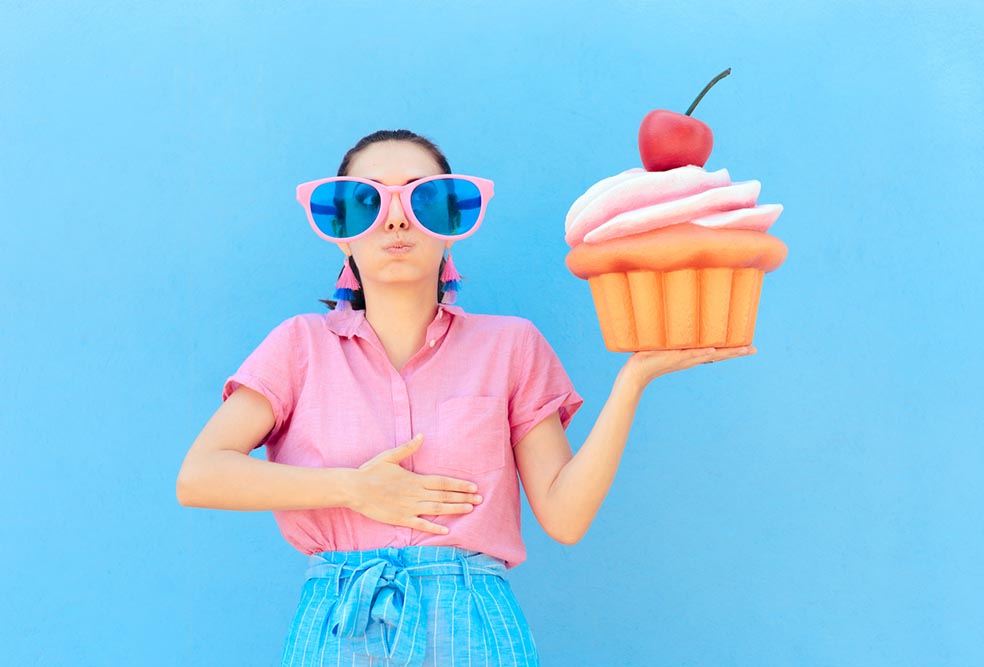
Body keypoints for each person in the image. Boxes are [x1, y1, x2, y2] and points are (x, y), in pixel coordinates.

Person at [176, 129, 754, 666]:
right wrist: (354, 488)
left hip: (474, 627)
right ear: (342, 232)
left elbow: (565, 516)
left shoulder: (512, 345)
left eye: (422, 200)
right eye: (365, 201)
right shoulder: (298, 346)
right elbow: (199, 476)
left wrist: (633, 380)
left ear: (451, 223)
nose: (396, 222)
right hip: (338, 624)